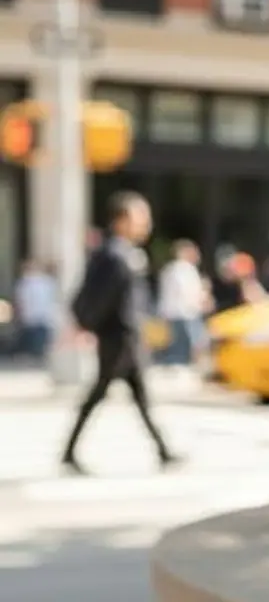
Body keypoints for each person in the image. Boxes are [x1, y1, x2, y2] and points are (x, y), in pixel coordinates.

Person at [61, 191, 179, 474]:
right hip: (118, 339)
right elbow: (100, 298)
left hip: (127, 337)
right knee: (100, 393)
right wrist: (85, 326)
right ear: (122, 220)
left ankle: (163, 449)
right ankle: (69, 451)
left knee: (137, 396)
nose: (146, 224)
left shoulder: (122, 252)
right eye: (141, 217)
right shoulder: (114, 255)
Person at [157, 239, 208, 367]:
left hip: (174, 312)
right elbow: (188, 292)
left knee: (177, 344)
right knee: (189, 344)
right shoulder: (184, 269)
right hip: (186, 313)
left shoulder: (169, 269)